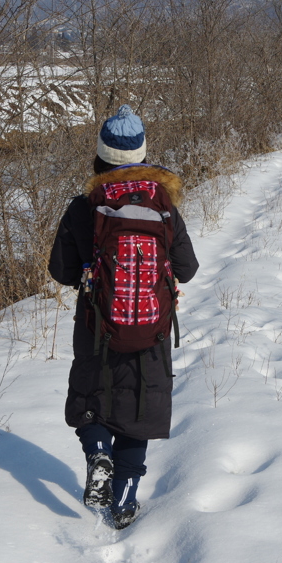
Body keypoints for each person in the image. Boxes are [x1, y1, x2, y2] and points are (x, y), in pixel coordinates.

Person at [48, 105, 199, 529]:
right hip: (151, 332)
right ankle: (126, 499)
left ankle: (98, 453)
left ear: (99, 156)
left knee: (91, 400)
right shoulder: (163, 204)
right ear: (143, 155)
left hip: (97, 328)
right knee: (139, 411)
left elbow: (60, 271)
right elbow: (187, 268)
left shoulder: (83, 207)